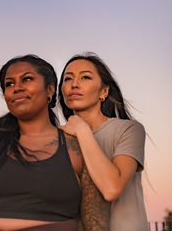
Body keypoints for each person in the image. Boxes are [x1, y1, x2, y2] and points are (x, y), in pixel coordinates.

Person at [0, 55, 110, 231]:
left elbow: (96, 222)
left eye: (27, 79)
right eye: (9, 84)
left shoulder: (75, 147)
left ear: (50, 89)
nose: (17, 88)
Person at [58, 53, 148, 231]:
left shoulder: (129, 130)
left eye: (85, 77)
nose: (74, 84)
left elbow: (111, 188)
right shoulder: (55, 138)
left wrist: (82, 130)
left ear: (104, 91)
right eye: (68, 79)